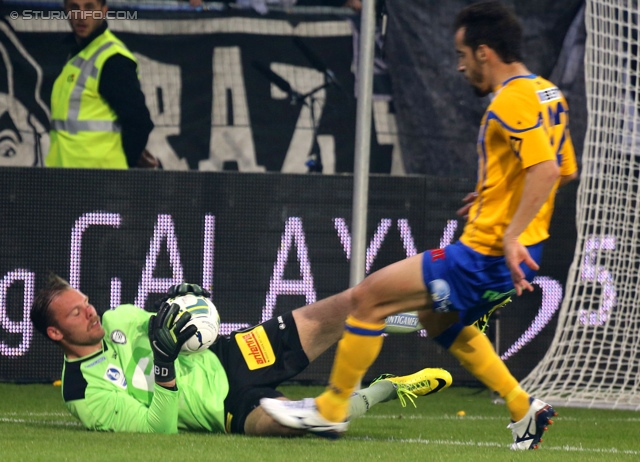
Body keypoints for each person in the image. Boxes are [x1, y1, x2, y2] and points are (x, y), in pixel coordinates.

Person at [260, 0, 578, 450]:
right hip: (521, 250)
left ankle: (330, 411)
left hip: (488, 252)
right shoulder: (549, 93)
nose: (460, 66)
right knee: (438, 321)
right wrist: (498, 196)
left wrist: (509, 233)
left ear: (485, 52)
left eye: (462, 55)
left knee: (369, 297)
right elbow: (564, 169)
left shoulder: (512, 99)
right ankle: (522, 406)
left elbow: (545, 170)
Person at [29, 275, 452, 435]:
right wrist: (163, 365)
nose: (89, 310)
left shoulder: (118, 315)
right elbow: (155, 432)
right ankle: (384, 390)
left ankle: (436, 319)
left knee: (348, 305)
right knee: (326, 423)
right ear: (54, 332)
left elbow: (170, 327)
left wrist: (182, 301)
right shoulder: (83, 393)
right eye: (75, 311)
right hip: (227, 409)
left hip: (232, 356)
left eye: (85, 300)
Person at [46, 0, 158, 169]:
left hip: (99, 184)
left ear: (103, 11)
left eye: (89, 7)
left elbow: (139, 122)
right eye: (74, 7)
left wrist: (122, 169)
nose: (81, 15)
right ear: (66, 10)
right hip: (68, 179)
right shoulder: (77, 54)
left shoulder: (112, 59)